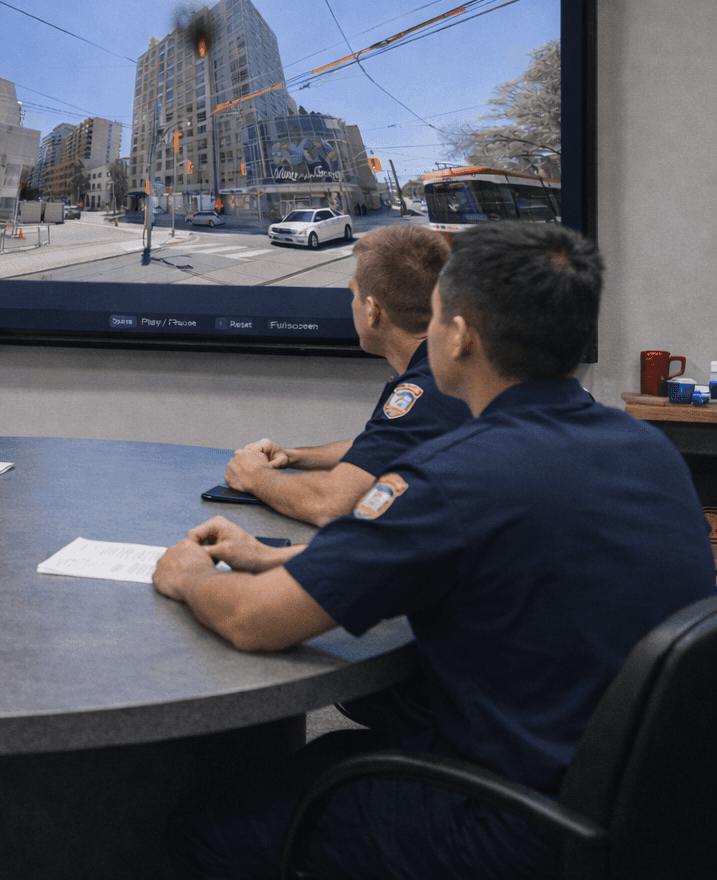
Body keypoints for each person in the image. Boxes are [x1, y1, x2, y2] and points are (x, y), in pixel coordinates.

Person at [153, 221, 716, 880]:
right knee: (325, 758)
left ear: (459, 335)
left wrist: (190, 577)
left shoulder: (450, 478)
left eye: (439, 312)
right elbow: (508, 559)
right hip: (657, 814)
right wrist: (277, 558)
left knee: (209, 824)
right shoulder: (648, 449)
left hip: (519, 827)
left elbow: (255, 620)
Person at [223, 225, 470, 525]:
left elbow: (331, 504)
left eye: (353, 293)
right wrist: (294, 456)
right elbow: (383, 446)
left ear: (372, 311)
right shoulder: (445, 366)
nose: (351, 303)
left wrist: (254, 476)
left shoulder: (428, 389)